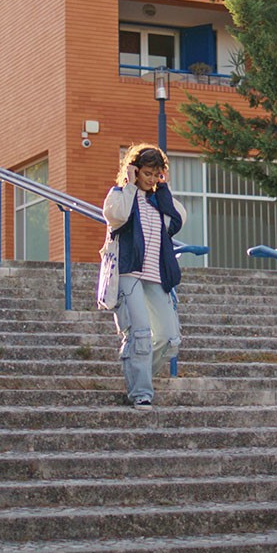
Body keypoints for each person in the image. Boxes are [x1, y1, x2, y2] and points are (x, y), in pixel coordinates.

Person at [102, 143, 187, 410]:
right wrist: (129, 183)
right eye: (147, 173)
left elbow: (178, 219)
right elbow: (117, 216)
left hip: (156, 275)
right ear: (135, 170)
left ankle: (140, 376)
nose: (150, 179)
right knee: (139, 333)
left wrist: (163, 190)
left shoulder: (157, 200)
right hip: (129, 272)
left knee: (168, 336)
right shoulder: (120, 195)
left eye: (156, 174)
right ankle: (141, 392)